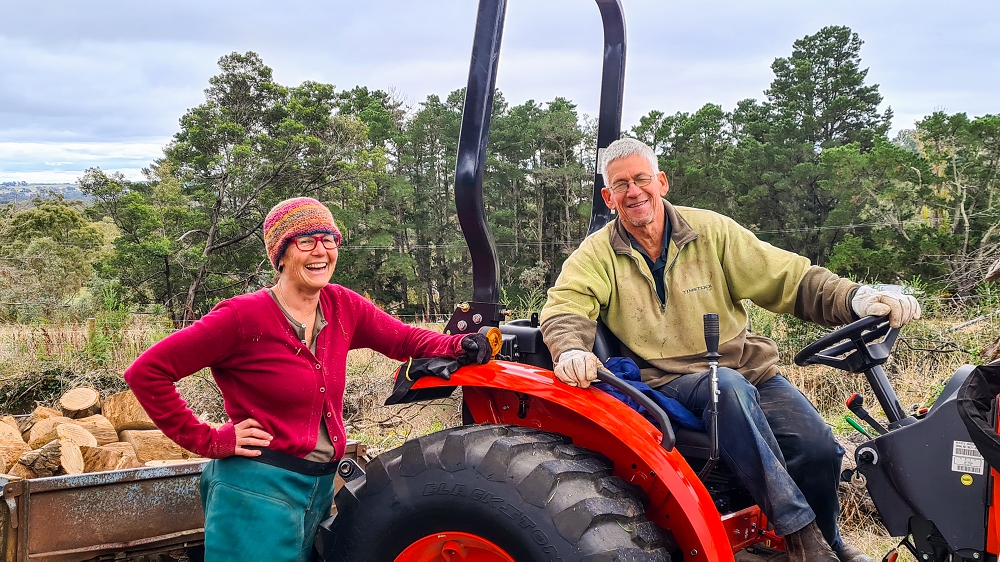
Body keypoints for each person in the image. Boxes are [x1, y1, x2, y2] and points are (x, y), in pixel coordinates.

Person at [539, 138, 920, 562]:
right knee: (730, 389)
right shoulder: (596, 254)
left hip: (745, 368)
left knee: (818, 448)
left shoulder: (713, 233)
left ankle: (828, 540)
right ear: (609, 197)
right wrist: (570, 349)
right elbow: (566, 306)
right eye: (621, 184)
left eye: (642, 179)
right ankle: (802, 540)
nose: (634, 192)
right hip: (669, 382)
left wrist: (856, 299)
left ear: (661, 182)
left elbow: (789, 279)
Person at [124, 197, 490, 562]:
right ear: (280, 254)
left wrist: (459, 344)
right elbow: (147, 372)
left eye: (328, 239)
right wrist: (209, 439)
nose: (321, 251)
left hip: (317, 489)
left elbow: (404, 340)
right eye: (305, 241)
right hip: (256, 491)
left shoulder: (342, 305)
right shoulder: (241, 316)